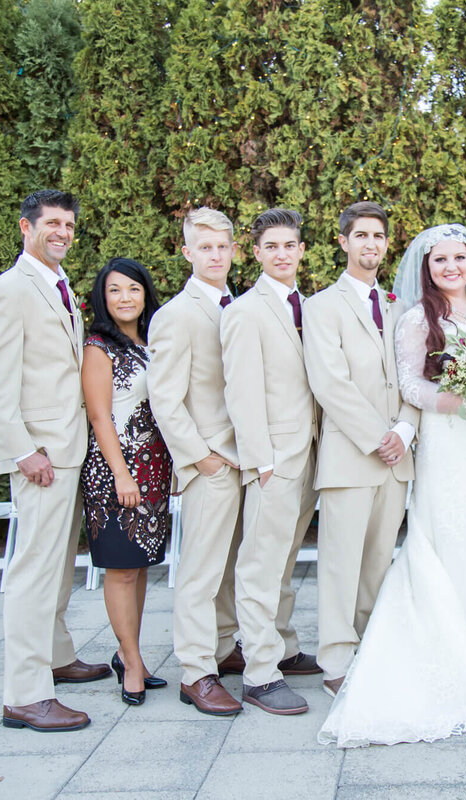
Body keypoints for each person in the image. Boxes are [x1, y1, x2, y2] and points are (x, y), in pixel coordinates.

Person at [318, 224, 466, 748]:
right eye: (439, 260)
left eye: (458, 259)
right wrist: (461, 400)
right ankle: (449, 645)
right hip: (449, 438)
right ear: (426, 268)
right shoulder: (418, 318)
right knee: (454, 534)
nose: (450, 268)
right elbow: (411, 384)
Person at [0, 189, 111, 733]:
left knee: (56, 567)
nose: (62, 232)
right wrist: (22, 449)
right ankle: (25, 694)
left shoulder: (56, 285)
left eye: (69, 224)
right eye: (52, 222)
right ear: (25, 226)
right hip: (42, 454)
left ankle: (55, 654)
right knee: (34, 570)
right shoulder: (8, 290)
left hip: (67, 447)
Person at [303, 202, 418, 698]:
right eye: (361, 235)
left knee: (377, 563)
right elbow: (331, 384)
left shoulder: (399, 307)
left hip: (398, 458)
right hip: (352, 459)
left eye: (378, 236)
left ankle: (369, 650)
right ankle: (335, 662)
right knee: (341, 564)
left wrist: (406, 432)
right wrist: (379, 437)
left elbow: (417, 377)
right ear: (343, 241)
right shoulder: (322, 306)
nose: (370, 244)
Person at [221, 208, 321, 715]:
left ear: (302, 250)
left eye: (290, 245)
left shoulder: (308, 306)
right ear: (256, 254)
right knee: (260, 562)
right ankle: (260, 672)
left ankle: (283, 643)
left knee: (284, 559)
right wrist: (258, 460)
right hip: (273, 458)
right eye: (272, 247)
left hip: (311, 452)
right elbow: (240, 393)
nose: (282, 254)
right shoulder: (244, 311)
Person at [147, 207, 245, 717]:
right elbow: (165, 399)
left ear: (233, 250)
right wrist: (201, 459)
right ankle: (195, 671)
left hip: (246, 459)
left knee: (230, 568)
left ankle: (225, 648)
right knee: (200, 572)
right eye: (204, 247)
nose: (214, 254)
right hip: (212, 463)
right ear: (187, 252)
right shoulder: (176, 316)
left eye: (222, 246)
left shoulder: (239, 305)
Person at [80, 258, 173, 706]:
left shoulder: (153, 341)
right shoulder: (99, 346)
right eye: (115, 290)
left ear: (145, 294)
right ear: (103, 296)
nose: (125, 298)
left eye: (133, 289)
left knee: (139, 568)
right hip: (114, 470)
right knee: (120, 570)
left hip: (154, 467)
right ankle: (132, 664)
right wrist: (121, 473)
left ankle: (128, 652)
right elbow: (99, 416)